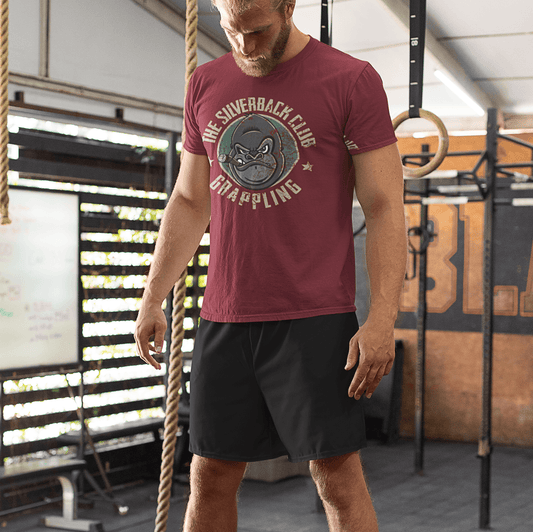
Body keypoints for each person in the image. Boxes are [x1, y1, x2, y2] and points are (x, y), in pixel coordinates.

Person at [135, 0, 407, 529]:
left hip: (314, 317)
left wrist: (382, 319)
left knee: (336, 477)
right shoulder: (205, 84)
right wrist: (152, 296)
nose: (245, 47)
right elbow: (190, 200)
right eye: (233, 32)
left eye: (257, 32)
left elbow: (383, 204)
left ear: (288, 7)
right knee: (209, 474)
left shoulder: (351, 80)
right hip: (225, 315)